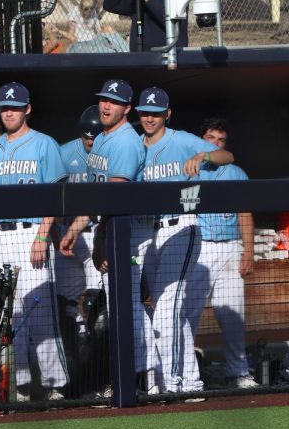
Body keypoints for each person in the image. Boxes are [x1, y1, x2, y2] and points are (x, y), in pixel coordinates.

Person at [59, 80, 156, 392]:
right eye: (103, 99)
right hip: (109, 228)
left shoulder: (126, 142)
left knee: (129, 309)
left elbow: (113, 196)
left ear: (127, 109)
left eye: (114, 102)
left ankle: (146, 380)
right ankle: (133, 377)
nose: (105, 106)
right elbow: (94, 194)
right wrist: (76, 229)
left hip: (129, 232)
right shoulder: (102, 138)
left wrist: (100, 238)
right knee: (119, 309)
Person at [135, 87, 233, 394]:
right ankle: (189, 382)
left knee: (165, 310)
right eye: (144, 112)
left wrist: (203, 154)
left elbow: (226, 155)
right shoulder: (133, 145)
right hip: (146, 231)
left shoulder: (181, 139)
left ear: (167, 114)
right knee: (165, 312)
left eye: (155, 113)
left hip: (181, 227)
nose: (149, 118)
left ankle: (172, 385)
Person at [0, 82, 69, 400]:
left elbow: (56, 198)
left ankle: (55, 383)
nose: (9, 112)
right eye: (4, 107)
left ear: (27, 109)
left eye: (14, 107)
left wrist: (43, 235)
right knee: (8, 315)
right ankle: (18, 383)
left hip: (32, 233)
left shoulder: (44, 144)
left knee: (40, 312)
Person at [197, 118, 256, 389]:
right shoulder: (190, 168)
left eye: (220, 140)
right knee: (187, 315)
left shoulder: (236, 173)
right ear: (202, 139)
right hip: (199, 247)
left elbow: (245, 213)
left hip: (230, 246)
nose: (215, 143)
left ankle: (239, 372)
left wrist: (249, 251)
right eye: (211, 137)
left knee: (232, 317)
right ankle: (186, 375)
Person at [55, 106, 104, 330]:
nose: (91, 142)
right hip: (67, 232)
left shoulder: (109, 152)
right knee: (65, 303)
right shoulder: (64, 153)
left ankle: (97, 354)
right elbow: (52, 193)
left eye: (95, 138)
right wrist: (54, 230)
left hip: (95, 232)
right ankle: (77, 351)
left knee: (96, 301)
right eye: (87, 137)